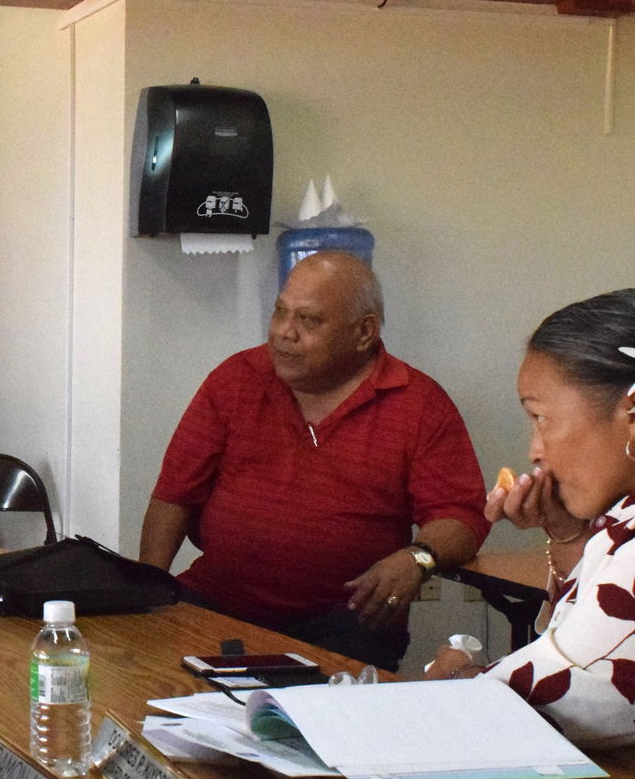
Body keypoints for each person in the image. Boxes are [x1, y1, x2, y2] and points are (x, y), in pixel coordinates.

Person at [140, 252, 490, 670]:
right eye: (280, 313)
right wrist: (146, 594)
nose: (284, 333)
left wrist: (417, 558)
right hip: (219, 602)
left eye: (308, 320)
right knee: (152, 684)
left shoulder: (419, 403)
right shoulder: (236, 379)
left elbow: (462, 516)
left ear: (364, 332)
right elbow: (173, 496)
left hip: (345, 620)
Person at [421, 289, 635, 749]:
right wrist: (566, 530)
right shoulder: (620, 522)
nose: (534, 451)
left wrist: (458, 675)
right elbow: (581, 635)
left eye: (540, 417)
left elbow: (556, 701)